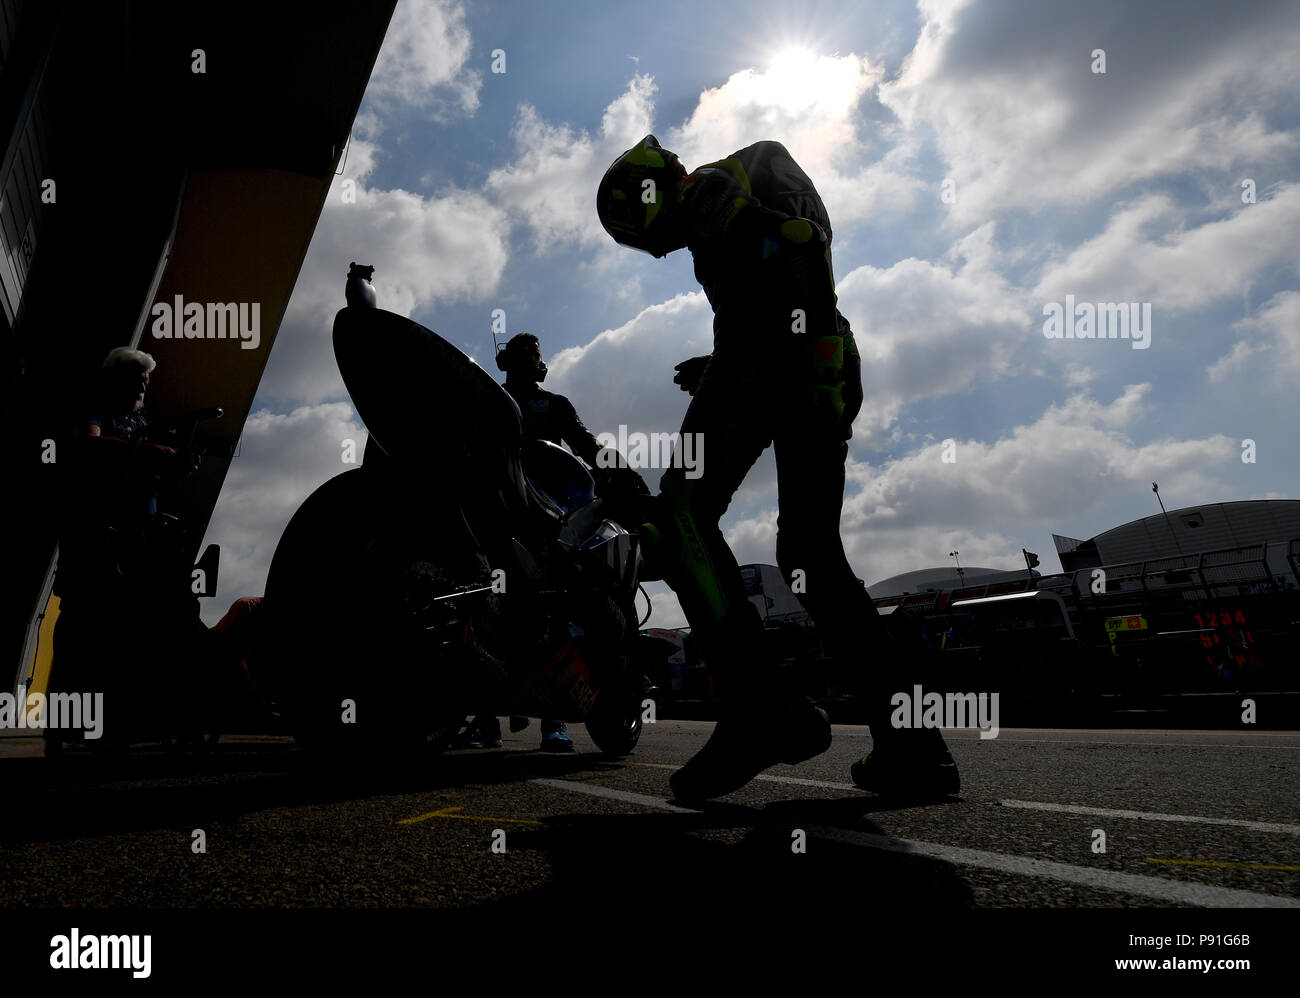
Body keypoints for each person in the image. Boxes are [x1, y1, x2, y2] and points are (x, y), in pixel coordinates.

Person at [596, 135, 959, 801]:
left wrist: (794, 359)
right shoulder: (713, 222)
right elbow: (769, 291)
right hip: (788, 365)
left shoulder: (749, 168)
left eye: (663, 235)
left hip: (792, 364)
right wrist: (727, 364)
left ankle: (761, 709)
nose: (673, 246)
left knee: (681, 516)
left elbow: (806, 241)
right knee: (812, 560)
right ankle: (912, 745)